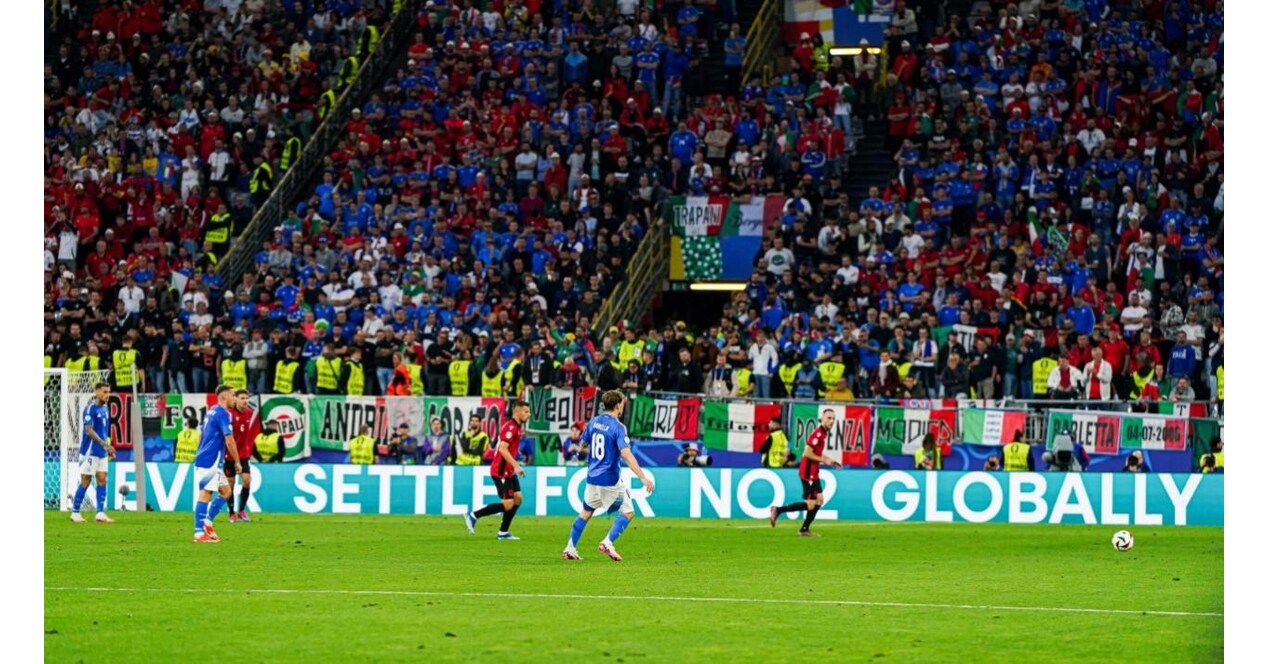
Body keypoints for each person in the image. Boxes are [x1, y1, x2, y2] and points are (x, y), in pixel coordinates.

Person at [561, 390, 656, 562]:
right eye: (622, 404)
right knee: (628, 512)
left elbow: (583, 443)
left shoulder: (594, 422)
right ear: (618, 405)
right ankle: (607, 542)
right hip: (609, 479)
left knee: (586, 512)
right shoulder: (618, 427)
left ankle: (570, 548)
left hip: (592, 478)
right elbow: (626, 454)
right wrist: (642, 477)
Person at [769, 409, 841, 536]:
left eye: (833, 419)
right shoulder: (818, 434)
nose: (831, 421)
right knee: (811, 504)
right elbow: (806, 453)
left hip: (814, 471)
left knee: (819, 500)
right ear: (822, 418)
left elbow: (815, 453)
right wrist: (824, 459)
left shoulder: (823, 433)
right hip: (808, 473)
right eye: (829, 418)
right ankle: (778, 510)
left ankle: (804, 529)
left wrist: (829, 460)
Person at [465, 400, 530, 540]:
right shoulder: (511, 427)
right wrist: (516, 465)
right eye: (526, 411)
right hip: (500, 471)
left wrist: (513, 466)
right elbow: (502, 449)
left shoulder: (518, 427)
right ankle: (473, 515)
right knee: (508, 504)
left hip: (509, 470)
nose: (528, 415)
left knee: (518, 499)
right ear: (517, 411)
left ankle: (503, 532)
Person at [192, 385, 241, 543]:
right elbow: (229, 439)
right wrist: (237, 461)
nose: (235, 398)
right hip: (210, 460)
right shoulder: (222, 414)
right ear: (224, 397)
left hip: (210, 459)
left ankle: (207, 523)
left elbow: (202, 433)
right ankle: (199, 533)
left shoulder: (211, 411)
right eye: (233, 395)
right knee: (206, 493)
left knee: (226, 491)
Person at [70, 382, 115, 523]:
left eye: (108, 392)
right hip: (90, 451)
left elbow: (103, 431)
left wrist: (107, 448)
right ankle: (75, 513)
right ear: (96, 392)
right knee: (86, 481)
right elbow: (89, 431)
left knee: (102, 479)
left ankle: (100, 513)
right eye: (104, 392)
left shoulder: (106, 408)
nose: (107, 395)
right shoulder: (90, 409)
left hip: (101, 451)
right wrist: (105, 445)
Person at [227, 389, 260, 523]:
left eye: (247, 398)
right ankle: (231, 513)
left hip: (243, 454)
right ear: (235, 399)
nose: (245, 400)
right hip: (229, 455)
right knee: (231, 484)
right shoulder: (229, 414)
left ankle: (241, 510)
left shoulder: (249, 413)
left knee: (246, 480)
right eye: (242, 398)